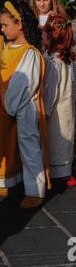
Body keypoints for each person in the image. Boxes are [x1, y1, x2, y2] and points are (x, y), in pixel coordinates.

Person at [0, 0, 51, 209]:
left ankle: (35, 189)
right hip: (7, 106)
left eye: (5, 25)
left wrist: (10, 105)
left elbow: (24, 83)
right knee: (8, 143)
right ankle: (10, 179)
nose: (1, 29)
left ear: (20, 25)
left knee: (28, 145)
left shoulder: (29, 52)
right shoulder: (9, 48)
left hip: (24, 108)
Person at [42, 14, 75, 181]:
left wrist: (43, 113)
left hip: (56, 114)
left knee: (56, 143)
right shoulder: (65, 58)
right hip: (65, 110)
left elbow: (50, 91)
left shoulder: (55, 62)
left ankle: (59, 175)